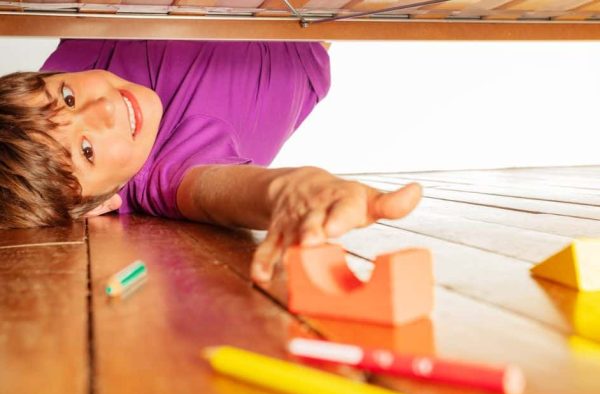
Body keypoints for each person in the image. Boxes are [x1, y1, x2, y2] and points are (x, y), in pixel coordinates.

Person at [0, 40, 422, 282]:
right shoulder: (169, 175)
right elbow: (219, 191)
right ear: (98, 206)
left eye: (70, 98)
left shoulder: (46, 91)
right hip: (288, 30)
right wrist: (295, 192)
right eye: (87, 150)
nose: (104, 110)